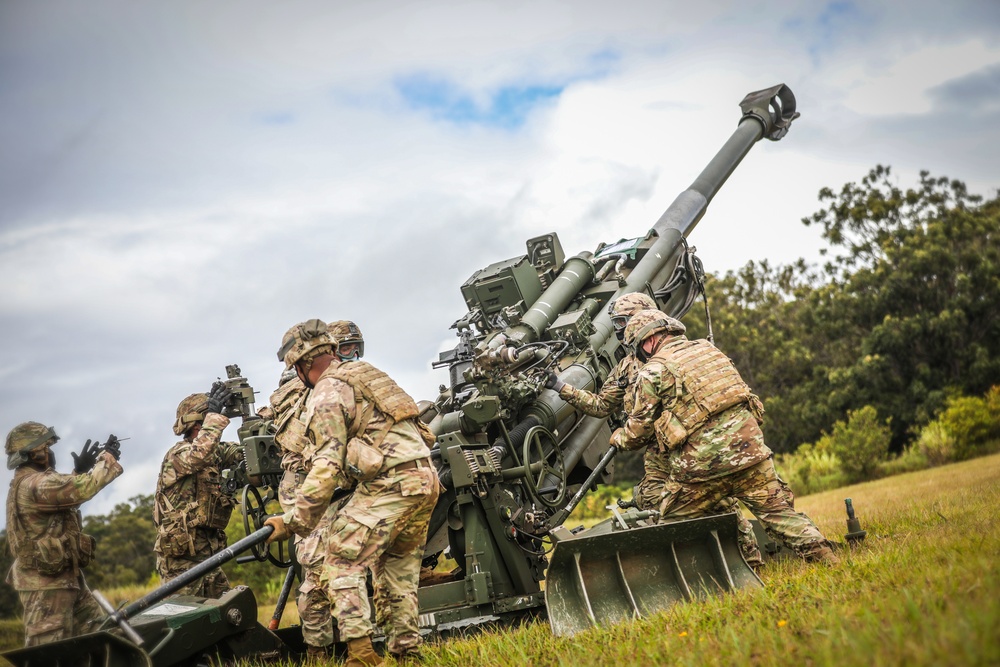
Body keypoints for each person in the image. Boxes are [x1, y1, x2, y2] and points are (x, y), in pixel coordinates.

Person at [265, 319, 439, 667]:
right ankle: (408, 654)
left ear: (301, 365)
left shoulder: (326, 392)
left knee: (340, 558)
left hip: (391, 485)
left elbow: (326, 465)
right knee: (396, 572)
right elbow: (424, 434)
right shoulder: (367, 375)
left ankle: (361, 657)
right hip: (425, 480)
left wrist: (294, 521)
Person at [546, 293, 763, 569]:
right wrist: (561, 388)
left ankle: (750, 558)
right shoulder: (625, 367)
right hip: (658, 451)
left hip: (691, 442)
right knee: (651, 497)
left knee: (719, 500)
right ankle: (689, 558)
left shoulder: (677, 351)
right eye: (617, 323)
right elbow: (602, 405)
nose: (620, 329)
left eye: (624, 321)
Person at [610, 309, 839, 564]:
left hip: (701, 469)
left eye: (639, 346)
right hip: (751, 453)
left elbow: (638, 433)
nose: (640, 353)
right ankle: (827, 559)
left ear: (649, 340)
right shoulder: (710, 351)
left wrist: (618, 437)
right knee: (780, 515)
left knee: (672, 523)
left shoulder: (652, 370)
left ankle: (735, 569)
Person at [5, 421, 123, 646]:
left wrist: (78, 472)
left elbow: (63, 504)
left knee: (102, 637)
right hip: (46, 589)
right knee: (51, 653)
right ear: (33, 453)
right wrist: (107, 458)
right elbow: (85, 488)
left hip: (64, 581)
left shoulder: (31, 483)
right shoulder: (35, 484)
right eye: (46, 448)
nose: (50, 453)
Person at [153, 383, 244, 597]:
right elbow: (198, 455)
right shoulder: (177, 455)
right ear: (198, 423)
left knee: (226, 614)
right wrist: (213, 417)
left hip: (208, 559)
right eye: (210, 415)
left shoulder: (213, 452)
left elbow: (241, 453)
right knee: (189, 623)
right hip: (181, 565)